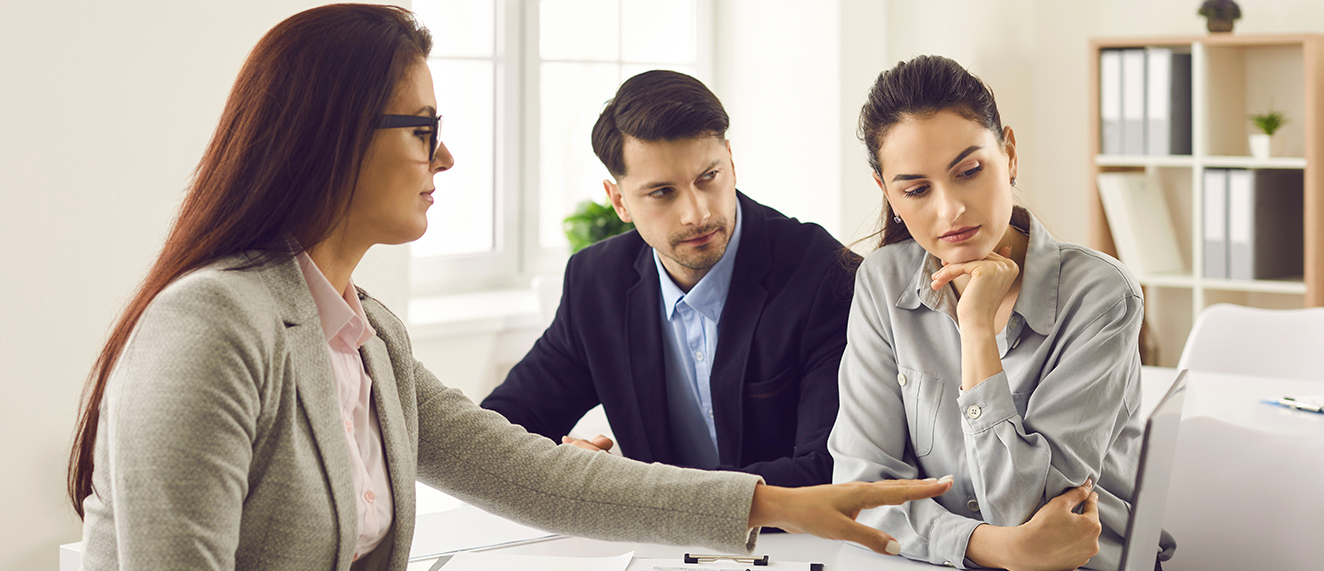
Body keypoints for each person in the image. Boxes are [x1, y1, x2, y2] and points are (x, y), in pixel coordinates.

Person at [66, 6, 952, 570]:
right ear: (331, 138)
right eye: (423, 129)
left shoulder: (367, 332)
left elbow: (515, 466)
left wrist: (769, 502)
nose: (444, 155)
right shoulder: (209, 327)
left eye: (710, 177)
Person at [828, 55, 1174, 571]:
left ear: (1008, 154)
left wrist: (975, 330)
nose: (950, 210)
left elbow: (1026, 512)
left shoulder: (1101, 296)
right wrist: (988, 547)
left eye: (969, 171)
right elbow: (859, 494)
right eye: (917, 189)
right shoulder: (883, 282)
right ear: (888, 193)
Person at [479, 70, 856, 488]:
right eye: (662, 192)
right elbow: (498, 430)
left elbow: (828, 469)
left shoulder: (825, 274)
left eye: (707, 178)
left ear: (730, 162)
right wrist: (566, 465)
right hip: (656, 550)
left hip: (799, 545)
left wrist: (629, 491)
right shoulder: (595, 283)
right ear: (619, 201)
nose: (696, 213)